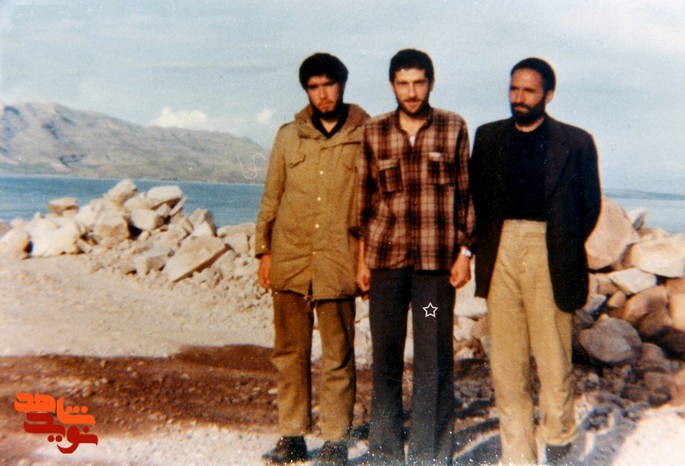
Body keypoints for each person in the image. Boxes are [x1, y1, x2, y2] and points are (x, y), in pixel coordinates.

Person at [469, 57, 601, 465]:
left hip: (550, 250)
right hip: (500, 249)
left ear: (548, 95)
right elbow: (476, 198)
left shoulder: (576, 142)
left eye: (528, 90)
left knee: (554, 360)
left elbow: (590, 207)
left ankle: (559, 441)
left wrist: (560, 245)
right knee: (507, 367)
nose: (519, 98)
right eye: (514, 88)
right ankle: (518, 457)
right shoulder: (488, 136)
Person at [356, 48, 475, 465]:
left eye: (418, 83)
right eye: (403, 83)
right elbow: (363, 200)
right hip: (386, 266)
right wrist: (361, 261)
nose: (411, 92)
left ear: (431, 83)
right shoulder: (373, 131)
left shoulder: (453, 127)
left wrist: (465, 253)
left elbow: (466, 196)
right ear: (392, 85)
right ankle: (385, 452)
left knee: (432, 357)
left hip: (432, 271)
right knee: (386, 356)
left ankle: (429, 454)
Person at [255, 52, 369, 466]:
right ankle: (292, 435)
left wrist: (365, 261)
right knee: (289, 351)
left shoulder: (366, 134)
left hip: (339, 259)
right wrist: (264, 251)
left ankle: (336, 439)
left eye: (329, 85)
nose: (323, 94)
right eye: (314, 87)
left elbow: (373, 204)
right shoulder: (289, 136)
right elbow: (272, 195)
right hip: (291, 257)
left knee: (339, 353)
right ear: (307, 90)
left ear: (343, 84)